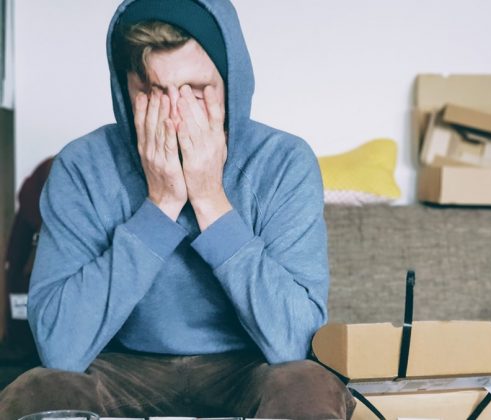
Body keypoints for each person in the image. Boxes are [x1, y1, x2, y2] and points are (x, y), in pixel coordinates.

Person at [0, 0, 355, 418]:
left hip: (248, 366)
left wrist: (210, 200)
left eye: (198, 91)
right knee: (39, 390)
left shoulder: (284, 162)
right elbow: (61, 349)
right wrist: (162, 203)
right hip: (121, 366)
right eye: (152, 92)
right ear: (124, 89)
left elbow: (295, 343)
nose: (175, 116)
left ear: (230, 84)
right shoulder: (82, 166)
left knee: (307, 384)